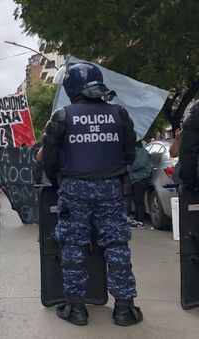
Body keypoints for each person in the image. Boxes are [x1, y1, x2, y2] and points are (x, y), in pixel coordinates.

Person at [41, 62, 142, 326]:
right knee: (117, 245)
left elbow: (49, 160)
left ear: (71, 88)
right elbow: (129, 153)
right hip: (111, 187)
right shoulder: (119, 114)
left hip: (74, 188)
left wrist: (59, 181)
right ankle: (124, 308)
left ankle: (76, 308)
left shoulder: (62, 116)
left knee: (73, 245)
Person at [128, 141, 152, 227]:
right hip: (135, 179)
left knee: (139, 200)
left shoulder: (141, 151)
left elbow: (140, 164)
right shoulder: (136, 150)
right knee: (136, 200)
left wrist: (128, 167)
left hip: (142, 178)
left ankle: (140, 221)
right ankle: (136, 219)